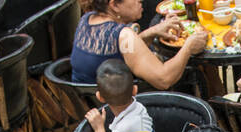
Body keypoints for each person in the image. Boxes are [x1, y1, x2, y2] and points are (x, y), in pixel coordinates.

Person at [70, 0, 207, 88]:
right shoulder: (124, 35)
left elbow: (124, 52)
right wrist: (188, 47)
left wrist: (152, 32)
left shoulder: (87, 19)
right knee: (191, 74)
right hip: (118, 111)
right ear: (114, 5)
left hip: (92, 105)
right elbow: (164, 79)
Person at [84, 60, 155, 132]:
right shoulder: (139, 108)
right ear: (135, 90)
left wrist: (99, 129)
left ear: (99, 97)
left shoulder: (122, 130)